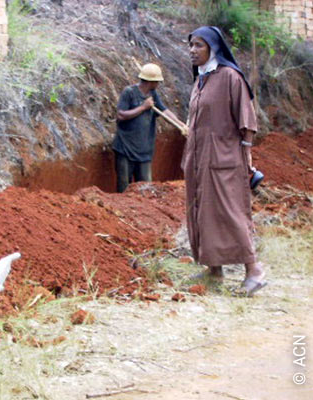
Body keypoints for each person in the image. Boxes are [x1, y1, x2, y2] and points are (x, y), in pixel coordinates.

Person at [183, 26, 267, 296]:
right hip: (199, 159)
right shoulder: (201, 79)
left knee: (231, 213)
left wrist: (246, 158)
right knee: (202, 210)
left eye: (199, 45)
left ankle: (254, 271)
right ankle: (214, 269)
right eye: (191, 45)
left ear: (213, 48)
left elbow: (247, 123)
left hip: (224, 159)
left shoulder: (230, 77)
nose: (192, 50)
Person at [112, 63, 186, 193]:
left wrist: (181, 124)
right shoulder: (129, 92)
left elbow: (164, 111)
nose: (158, 84)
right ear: (152, 82)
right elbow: (120, 115)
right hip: (125, 149)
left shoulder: (153, 94)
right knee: (124, 189)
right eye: (157, 81)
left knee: (146, 190)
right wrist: (143, 107)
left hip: (144, 151)